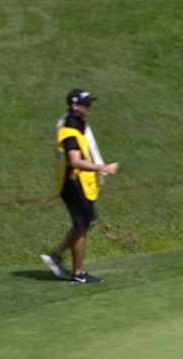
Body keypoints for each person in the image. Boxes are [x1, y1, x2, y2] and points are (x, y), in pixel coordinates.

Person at [41, 89, 118, 284]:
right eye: (86, 105)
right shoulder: (69, 130)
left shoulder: (79, 125)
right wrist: (102, 168)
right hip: (72, 184)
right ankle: (77, 273)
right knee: (82, 225)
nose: (89, 108)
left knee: (87, 222)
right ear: (76, 106)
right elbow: (74, 161)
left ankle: (57, 256)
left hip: (80, 183)